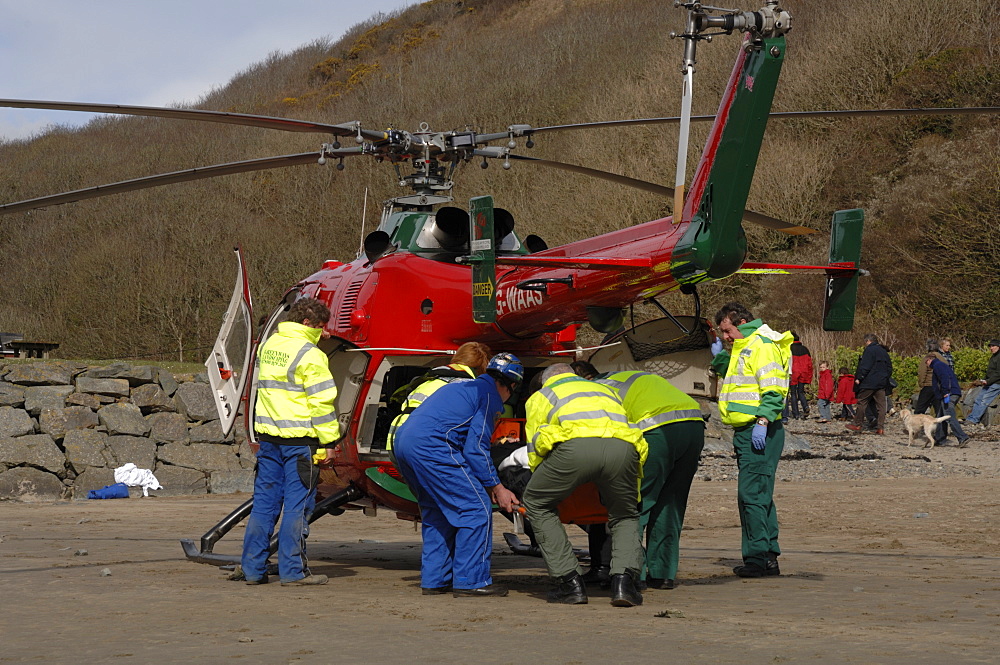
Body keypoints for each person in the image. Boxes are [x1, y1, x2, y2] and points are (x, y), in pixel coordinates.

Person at [392, 352, 523, 597]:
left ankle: (435, 580)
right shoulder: (489, 396)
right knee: (476, 509)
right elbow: (475, 449)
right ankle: (471, 581)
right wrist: (497, 487)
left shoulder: (462, 386)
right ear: (511, 385)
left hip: (403, 444)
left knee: (436, 511)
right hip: (432, 447)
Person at [522, 364, 647, 607]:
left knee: (537, 503)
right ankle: (624, 584)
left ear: (546, 380)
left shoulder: (542, 395)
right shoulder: (605, 390)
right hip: (623, 449)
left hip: (574, 449)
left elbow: (535, 445)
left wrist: (544, 481)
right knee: (625, 514)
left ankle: (569, 583)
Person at [572, 361, 704, 590]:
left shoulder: (596, 389)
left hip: (656, 430)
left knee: (634, 505)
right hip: (693, 425)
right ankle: (662, 574)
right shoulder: (624, 377)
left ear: (582, 380)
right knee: (669, 504)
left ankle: (631, 573)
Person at [241, 297, 340, 586]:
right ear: (308, 324)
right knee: (297, 507)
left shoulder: (269, 346)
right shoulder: (311, 355)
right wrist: (329, 442)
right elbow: (322, 403)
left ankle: (252, 570)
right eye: (322, 327)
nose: (326, 333)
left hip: (269, 439)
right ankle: (293, 572)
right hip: (301, 442)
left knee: (264, 506)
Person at [709, 302, 792, 578]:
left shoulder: (761, 344)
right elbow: (731, 374)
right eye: (723, 333)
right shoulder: (745, 346)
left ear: (742, 322)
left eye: (728, 331)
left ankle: (758, 557)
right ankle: (767, 555)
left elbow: (774, 387)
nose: (726, 337)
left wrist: (763, 421)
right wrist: (720, 355)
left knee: (751, 494)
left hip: (759, 430)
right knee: (759, 493)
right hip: (750, 431)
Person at [386, 341, 491, 451]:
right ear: (483, 367)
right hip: (423, 441)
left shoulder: (431, 379)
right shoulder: (467, 387)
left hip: (396, 439)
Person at [846, 334, 892, 435]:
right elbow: (889, 368)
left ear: (867, 341)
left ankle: (858, 424)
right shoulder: (884, 351)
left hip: (869, 382)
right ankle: (880, 428)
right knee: (881, 405)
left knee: (862, 402)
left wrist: (859, 378)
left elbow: (865, 366)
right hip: (881, 382)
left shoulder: (869, 350)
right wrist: (885, 378)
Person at [927, 354, 970, 447]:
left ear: (930, 360)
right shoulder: (940, 365)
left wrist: (945, 391)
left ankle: (962, 437)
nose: (926, 365)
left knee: (949, 417)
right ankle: (939, 439)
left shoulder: (938, 365)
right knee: (941, 416)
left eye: (926, 362)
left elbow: (944, 378)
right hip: (951, 393)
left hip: (949, 393)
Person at [965, 339, 1000, 427]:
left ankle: (974, 419)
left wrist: (988, 381)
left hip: (997, 383)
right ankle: (971, 418)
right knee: (978, 399)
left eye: (993, 346)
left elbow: (998, 374)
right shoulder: (993, 357)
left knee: (984, 400)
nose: (991, 348)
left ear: (998, 347)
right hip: (990, 382)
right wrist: (983, 380)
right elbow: (990, 372)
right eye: (990, 346)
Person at [784, 333, 813, 421]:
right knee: (800, 392)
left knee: (793, 393)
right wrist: (809, 376)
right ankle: (805, 406)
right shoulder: (805, 349)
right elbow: (810, 364)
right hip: (803, 372)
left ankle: (795, 413)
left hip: (793, 373)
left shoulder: (789, 349)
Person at [914, 339, 945, 415]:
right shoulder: (942, 358)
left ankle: (917, 424)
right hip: (938, 386)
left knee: (920, 408)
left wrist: (921, 384)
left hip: (928, 385)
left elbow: (922, 372)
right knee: (939, 409)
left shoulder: (927, 358)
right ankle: (941, 426)